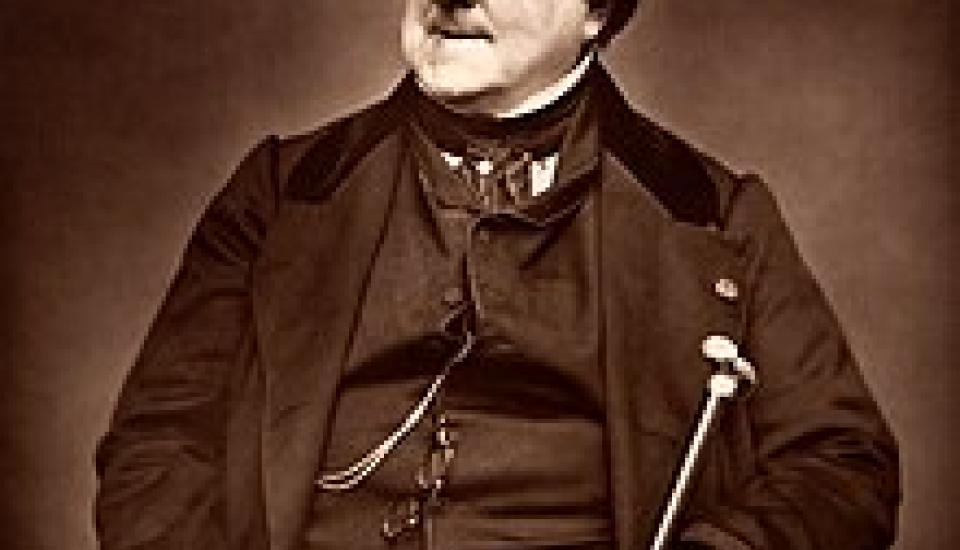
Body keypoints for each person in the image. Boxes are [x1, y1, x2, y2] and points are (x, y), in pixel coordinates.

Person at [95, 0, 901, 549]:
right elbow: (156, 450)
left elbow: (841, 465)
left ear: (596, 10)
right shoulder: (280, 194)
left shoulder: (717, 217)